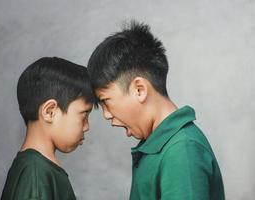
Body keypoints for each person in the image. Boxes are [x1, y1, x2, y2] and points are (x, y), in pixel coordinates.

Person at [87, 21, 225, 200]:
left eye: (106, 101)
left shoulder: (181, 152)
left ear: (139, 89)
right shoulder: (162, 146)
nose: (106, 114)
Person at [1, 57, 97, 200]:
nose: (86, 127)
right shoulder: (35, 175)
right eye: (84, 115)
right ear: (50, 112)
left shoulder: (34, 168)